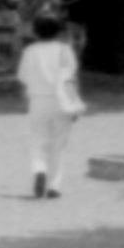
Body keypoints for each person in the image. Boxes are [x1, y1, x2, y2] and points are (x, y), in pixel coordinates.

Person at [15, 11, 85, 199]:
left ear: (35, 31)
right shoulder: (65, 50)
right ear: (58, 31)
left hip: (38, 99)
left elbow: (23, 78)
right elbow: (71, 78)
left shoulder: (30, 51)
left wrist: (26, 99)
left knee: (37, 140)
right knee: (59, 144)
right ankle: (54, 185)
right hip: (61, 100)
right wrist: (74, 102)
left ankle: (39, 169)